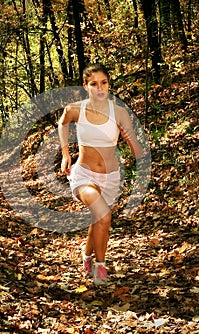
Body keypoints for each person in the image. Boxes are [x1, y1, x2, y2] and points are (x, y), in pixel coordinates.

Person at [58, 63, 144, 285]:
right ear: (86, 86)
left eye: (103, 83)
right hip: (84, 174)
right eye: (94, 84)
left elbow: (136, 147)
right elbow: (62, 123)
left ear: (108, 84)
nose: (99, 88)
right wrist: (66, 153)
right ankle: (100, 269)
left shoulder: (120, 113)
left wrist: (132, 142)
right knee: (104, 216)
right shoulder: (76, 109)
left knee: (99, 220)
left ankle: (86, 256)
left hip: (111, 177)